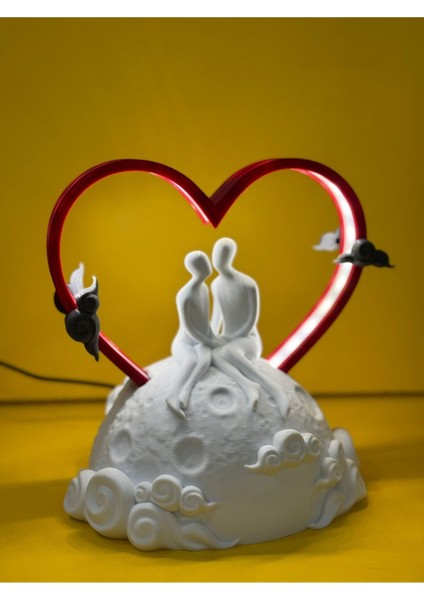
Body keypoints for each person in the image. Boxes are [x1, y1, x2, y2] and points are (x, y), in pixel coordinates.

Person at [210, 238, 289, 417]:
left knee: (228, 352)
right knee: (214, 355)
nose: (218, 259)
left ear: (230, 256)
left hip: (247, 340)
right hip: (228, 340)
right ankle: (248, 385)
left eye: (223, 254)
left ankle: (273, 388)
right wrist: (209, 337)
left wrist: (228, 338)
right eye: (216, 255)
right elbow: (216, 317)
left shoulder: (246, 284)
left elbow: (250, 320)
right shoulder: (216, 284)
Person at [167, 250, 219, 418]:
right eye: (201, 264)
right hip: (185, 343)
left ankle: (186, 391)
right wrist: (209, 342)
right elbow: (190, 328)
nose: (207, 266)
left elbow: (204, 320)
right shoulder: (186, 294)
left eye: (206, 262)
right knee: (191, 361)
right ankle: (172, 396)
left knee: (205, 360)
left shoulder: (203, 288)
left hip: (201, 341)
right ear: (193, 268)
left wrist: (212, 338)